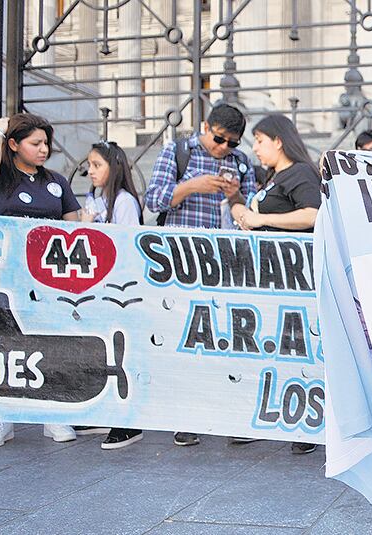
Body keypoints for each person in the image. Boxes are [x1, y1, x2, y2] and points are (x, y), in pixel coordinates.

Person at [145, 103, 257, 447]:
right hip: (182, 262)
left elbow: (254, 208)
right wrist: (192, 186)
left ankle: (234, 416)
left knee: (230, 340)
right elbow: (154, 201)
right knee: (186, 340)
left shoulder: (241, 163)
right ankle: (187, 417)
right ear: (205, 127)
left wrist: (235, 194)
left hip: (227, 263)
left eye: (232, 143)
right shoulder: (176, 152)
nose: (224, 148)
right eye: (220, 139)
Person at [0, 113, 79, 448]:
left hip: (48, 278)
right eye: (35, 143)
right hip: (4, 273)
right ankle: (0, 419)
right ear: (13, 144)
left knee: (48, 340)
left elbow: (75, 230)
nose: (43, 150)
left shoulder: (56, 182)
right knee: (1, 342)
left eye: (46, 144)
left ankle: (53, 416)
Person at [228, 114, 321, 455]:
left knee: (298, 347)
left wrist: (263, 218)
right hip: (268, 277)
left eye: (260, 141)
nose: (255, 149)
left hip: (295, 278)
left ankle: (308, 420)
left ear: (278, 141)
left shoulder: (301, 173)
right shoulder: (274, 177)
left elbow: (313, 213)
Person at [76, 140, 147, 450]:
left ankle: (127, 422)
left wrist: (90, 228)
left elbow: (129, 245)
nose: (90, 172)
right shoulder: (94, 199)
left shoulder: (124, 202)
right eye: (89, 166)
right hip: (99, 288)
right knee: (101, 350)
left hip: (122, 290)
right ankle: (103, 412)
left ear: (113, 168)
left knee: (122, 353)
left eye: (97, 165)